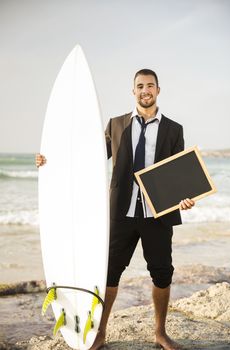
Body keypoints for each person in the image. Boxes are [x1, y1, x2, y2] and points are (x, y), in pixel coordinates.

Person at [36, 69, 195, 350]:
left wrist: (183, 197)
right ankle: (100, 332)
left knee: (162, 272)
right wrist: (50, 161)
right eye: (140, 86)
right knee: (109, 273)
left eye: (150, 86)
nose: (145, 90)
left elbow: (177, 173)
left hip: (156, 214)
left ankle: (160, 332)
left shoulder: (174, 129)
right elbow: (88, 158)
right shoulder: (117, 124)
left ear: (158, 90)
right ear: (133, 91)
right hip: (120, 213)